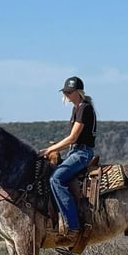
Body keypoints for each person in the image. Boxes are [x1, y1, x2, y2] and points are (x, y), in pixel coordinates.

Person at [38, 76, 97, 244]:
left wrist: (51, 149)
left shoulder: (84, 108)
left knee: (56, 179)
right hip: (74, 152)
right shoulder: (76, 108)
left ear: (78, 92)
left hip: (81, 153)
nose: (66, 94)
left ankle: (72, 227)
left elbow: (73, 138)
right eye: (65, 92)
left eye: (69, 92)